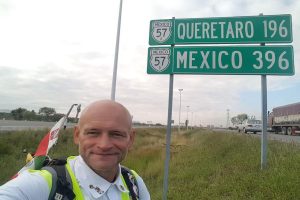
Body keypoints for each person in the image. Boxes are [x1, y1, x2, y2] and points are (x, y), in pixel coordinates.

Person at [0, 100, 150, 200]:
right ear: (77, 135)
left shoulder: (133, 181)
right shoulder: (44, 184)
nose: (104, 145)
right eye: (93, 133)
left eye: (116, 134)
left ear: (130, 139)